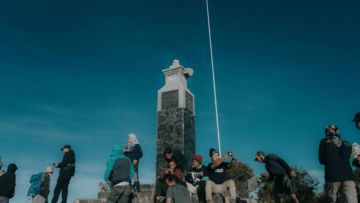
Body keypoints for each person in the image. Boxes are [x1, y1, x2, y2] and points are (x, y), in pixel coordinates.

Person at [319, 125, 357, 203]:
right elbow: (348, 157)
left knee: (331, 200)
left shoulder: (324, 141)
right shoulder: (348, 144)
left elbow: (322, 160)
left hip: (332, 175)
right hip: (348, 176)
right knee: (351, 201)